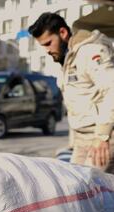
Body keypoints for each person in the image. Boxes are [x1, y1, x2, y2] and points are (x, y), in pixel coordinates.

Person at [29, 12, 114, 172]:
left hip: (102, 135)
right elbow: (77, 102)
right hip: (81, 139)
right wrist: (73, 141)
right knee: (73, 184)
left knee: (90, 188)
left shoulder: (90, 52)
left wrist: (103, 136)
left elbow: (112, 90)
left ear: (63, 33)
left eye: (48, 43)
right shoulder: (66, 58)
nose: (46, 50)